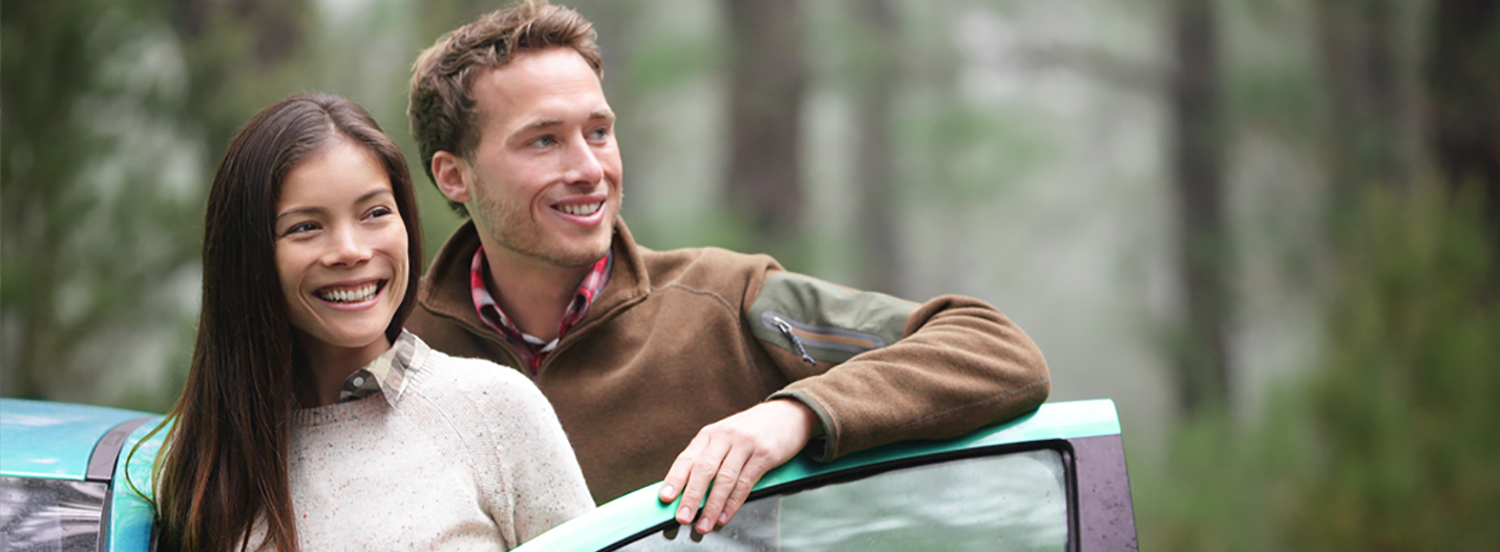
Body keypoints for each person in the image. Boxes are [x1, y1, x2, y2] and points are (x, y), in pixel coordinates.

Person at [406, 0, 1050, 536]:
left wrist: (793, 413)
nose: (588, 168)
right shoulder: (394, 355)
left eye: (599, 132)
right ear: (453, 175)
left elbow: (993, 349)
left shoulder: (725, 303)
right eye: (544, 139)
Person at [142, 93, 593, 552]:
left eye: (375, 213)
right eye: (306, 227)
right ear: (247, 257)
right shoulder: (198, 463)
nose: (352, 250)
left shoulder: (495, 410)